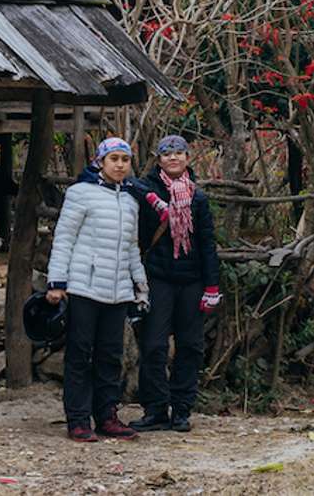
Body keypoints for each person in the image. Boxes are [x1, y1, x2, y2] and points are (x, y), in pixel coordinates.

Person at [45, 137, 149, 442]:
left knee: (110, 355)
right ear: (100, 162)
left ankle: (107, 415)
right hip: (84, 286)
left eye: (125, 159)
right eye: (113, 158)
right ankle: (78, 419)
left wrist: (139, 285)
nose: (120, 165)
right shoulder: (80, 194)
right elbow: (64, 238)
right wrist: (57, 282)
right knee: (79, 354)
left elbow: (132, 247)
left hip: (117, 291)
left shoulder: (130, 200)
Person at [128, 134, 221, 432]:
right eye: (167, 154)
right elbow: (129, 184)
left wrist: (212, 286)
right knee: (154, 344)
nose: (174, 158)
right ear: (159, 160)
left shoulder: (198, 198)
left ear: (188, 159)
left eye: (179, 153)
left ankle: (181, 409)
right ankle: (155, 409)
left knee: (190, 346)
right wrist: (154, 201)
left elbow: (207, 244)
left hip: (192, 280)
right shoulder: (147, 188)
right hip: (159, 277)